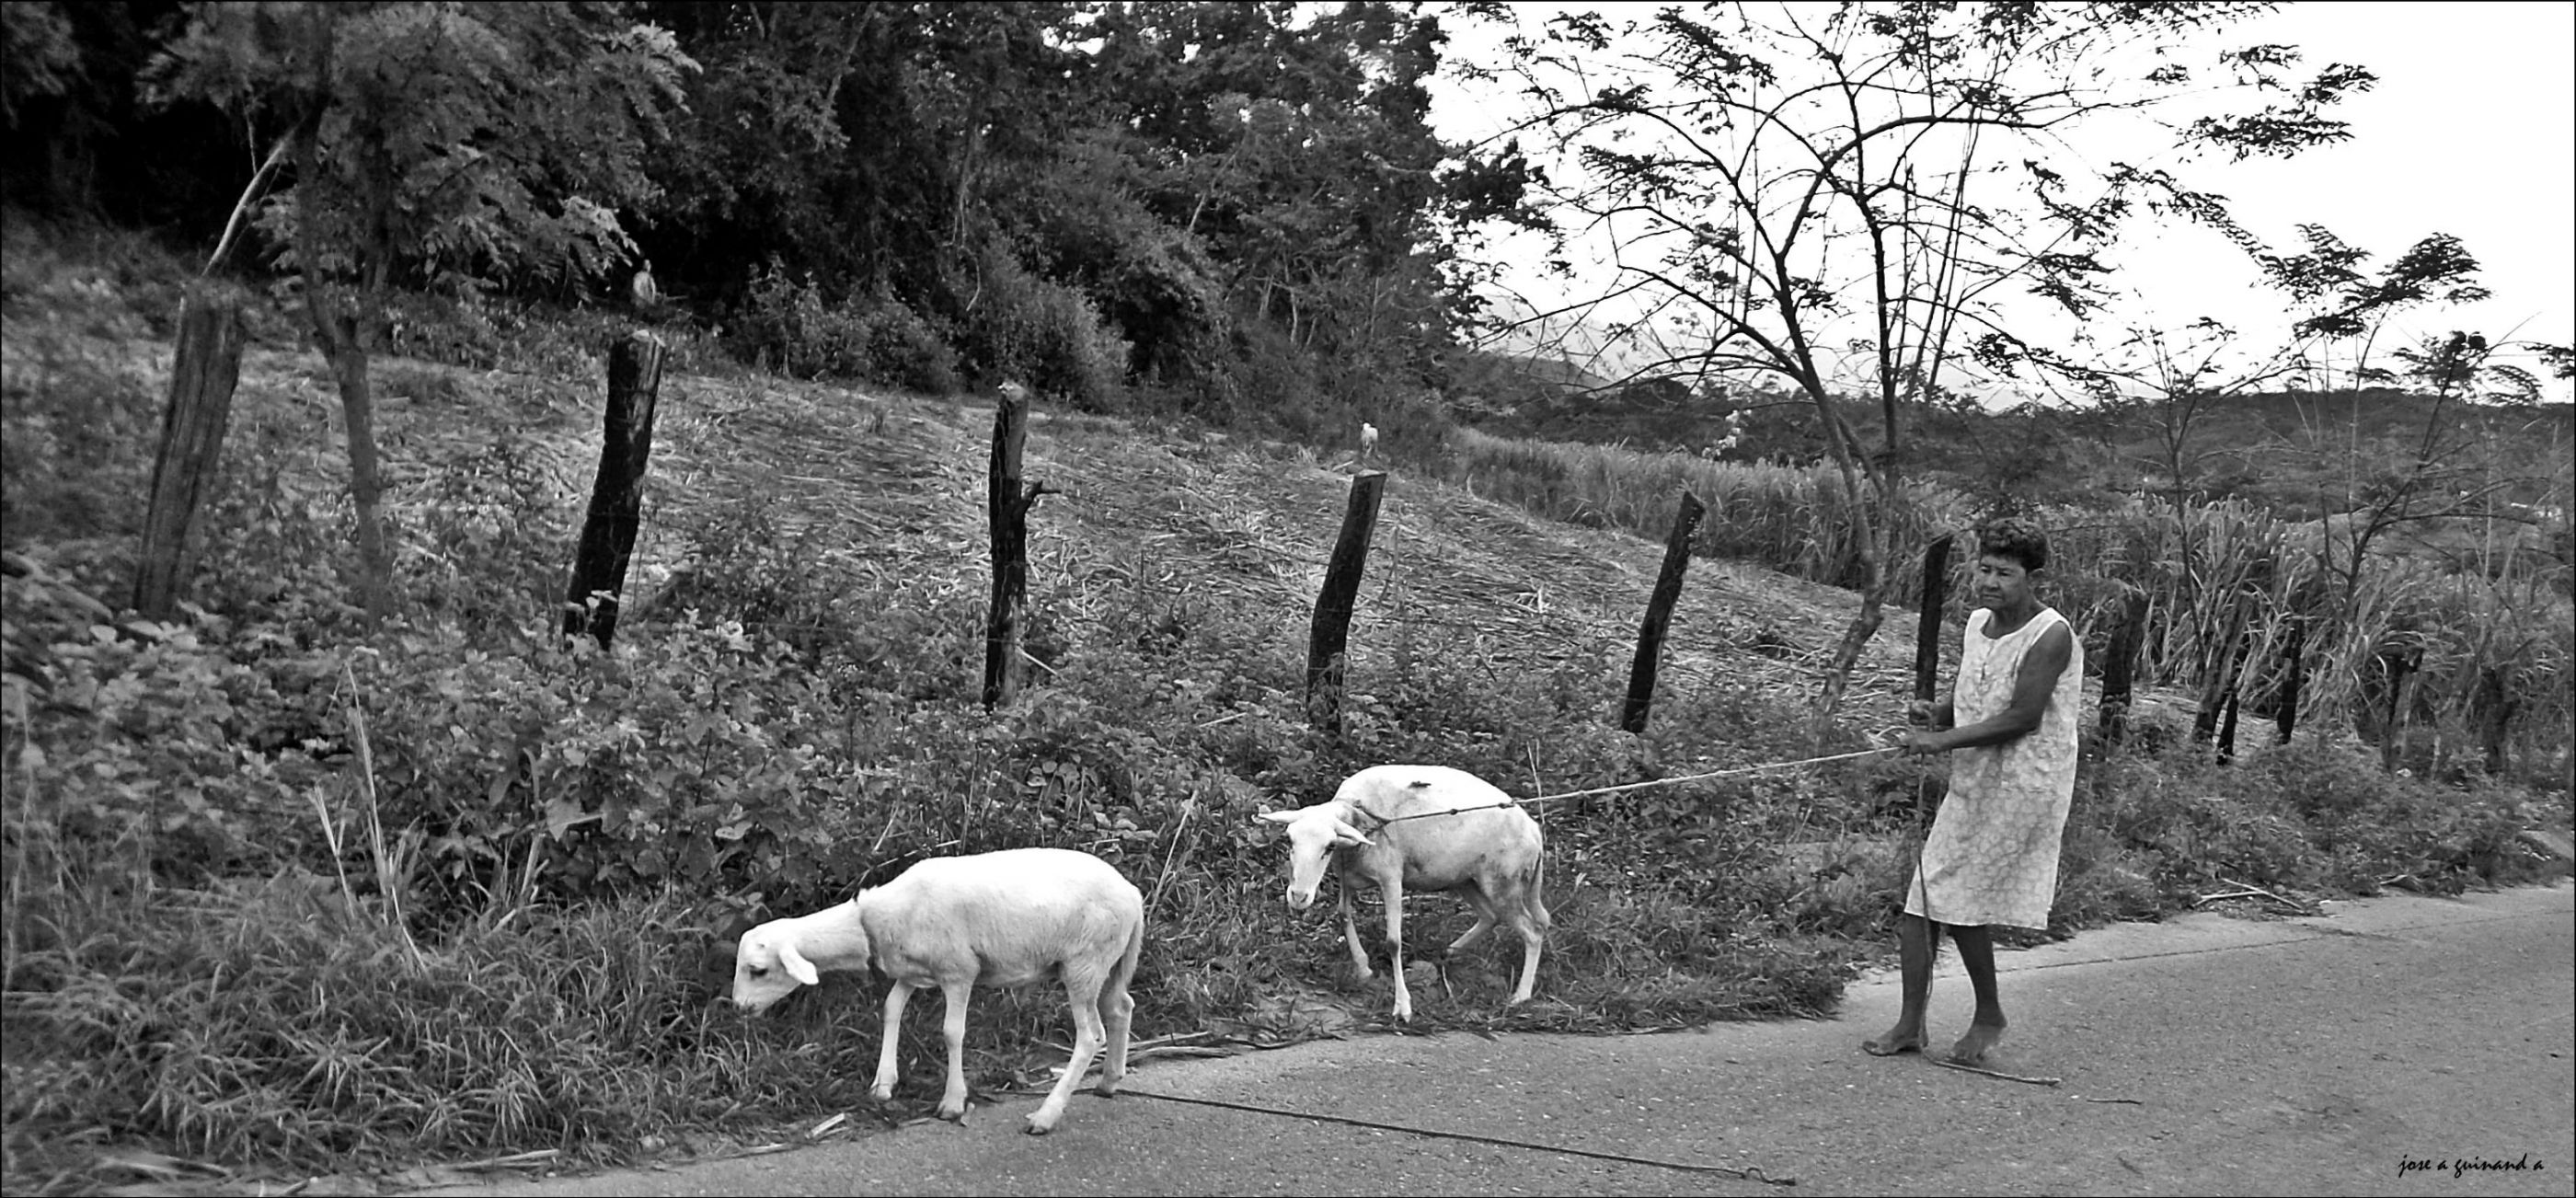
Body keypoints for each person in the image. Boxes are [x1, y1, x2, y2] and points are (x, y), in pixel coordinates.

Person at [1863, 516, 2084, 1066]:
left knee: (1958, 902)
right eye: (1984, 568)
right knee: (1925, 900)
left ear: (2031, 577)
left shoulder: (2050, 634)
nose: (1989, 581)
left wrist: (1939, 739)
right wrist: (1937, 713)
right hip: (1976, 774)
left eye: (2004, 573)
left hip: (2026, 781)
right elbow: (1977, 696)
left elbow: (2023, 717)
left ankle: (1988, 1014)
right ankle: (1911, 1024)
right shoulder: (1978, 623)